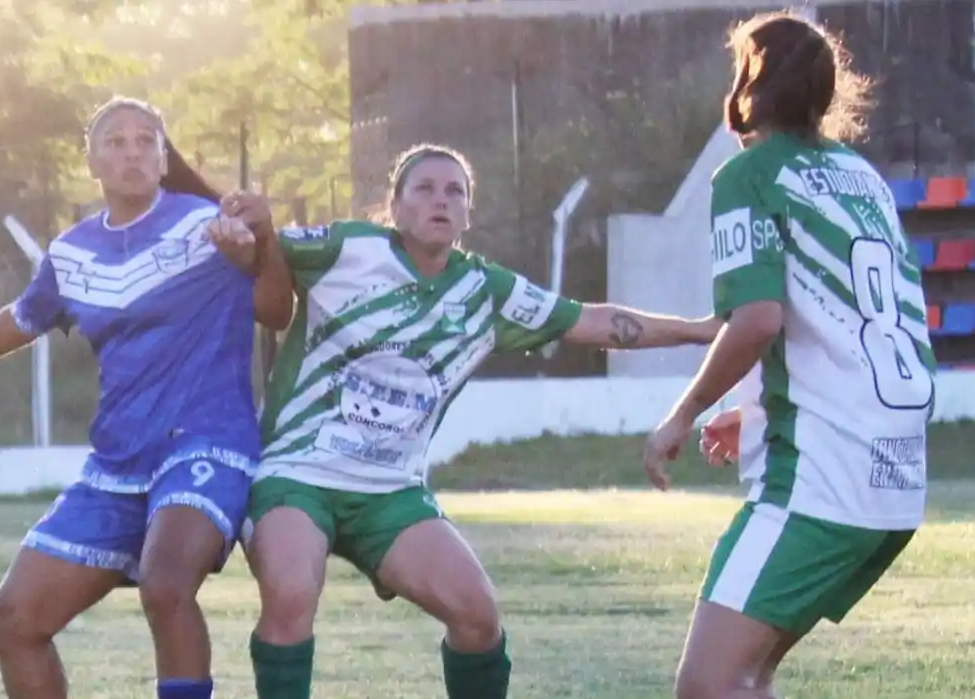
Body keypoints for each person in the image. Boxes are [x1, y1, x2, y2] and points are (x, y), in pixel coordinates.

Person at [229, 142, 722, 699]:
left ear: (468, 215)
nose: (440, 200)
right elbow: (257, 250)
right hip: (298, 472)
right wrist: (252, 231)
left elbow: (594, 322)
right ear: (394, 206)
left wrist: (704, 330)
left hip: (390, 493)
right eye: (424, 189)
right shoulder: (348, 247)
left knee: (478, 618)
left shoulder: (486, 292)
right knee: (291, 595)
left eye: (454, 191)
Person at [0, 96, 294, 699]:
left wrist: (262, 247)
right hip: (115, 465)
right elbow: (23, 317)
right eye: (116, 142)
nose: (132, 152)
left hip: (205, 443)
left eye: (146, 141)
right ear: (92, 163)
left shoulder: (207, 222)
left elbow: (275, 309)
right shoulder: (70, 253)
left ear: (165, 159)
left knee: (166, 586)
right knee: (14, 617)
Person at [641, 12, 937, 699]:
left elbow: (758, 319)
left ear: (749, 83)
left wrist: (681, 415)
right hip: (893, 476)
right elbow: (841, 318)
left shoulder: (748, 174)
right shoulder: (860, 177)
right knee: (749, 677)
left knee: (708, 684)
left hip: (821, 477)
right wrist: (755, 413)